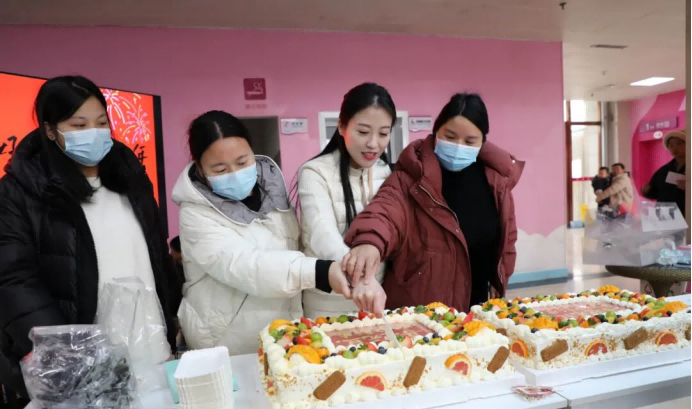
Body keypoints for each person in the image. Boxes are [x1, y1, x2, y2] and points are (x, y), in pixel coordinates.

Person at [0, 76, 180, 397]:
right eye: (79, 125)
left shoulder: (130, 178)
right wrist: (66, 359)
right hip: (80, 366)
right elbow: (16, 279)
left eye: (101, 122)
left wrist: (172, 318)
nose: (93, 133)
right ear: (50, 130)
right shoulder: (22, 190)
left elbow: (155, 254)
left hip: (152, 347)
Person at [172, 111, 385, 355]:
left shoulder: (271, 191)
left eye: (242, 162)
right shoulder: (195, 214)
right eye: (220, 169)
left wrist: (349, 263)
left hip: (281, 333)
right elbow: (247, 266)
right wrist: (321, 272)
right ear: (200, 169)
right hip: (227, 342)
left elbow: (295, 244)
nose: (235, 173)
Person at [342, 93, 524, 312]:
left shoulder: (496, 182)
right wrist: (370, 242)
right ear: (436, 132)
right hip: (422, 310)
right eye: (450, 136)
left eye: (469, 141)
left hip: (478, 306)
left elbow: (507, 238)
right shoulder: (411, 175)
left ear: (482, 143)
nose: (458, 146)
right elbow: (386, 210)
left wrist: (499, 277)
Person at [297, 83, 395, 319]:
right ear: (341, 126)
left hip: (376, 297)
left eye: (383, 133)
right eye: (363, 132)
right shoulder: (315, 172)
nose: (373, 143)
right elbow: (322, 235)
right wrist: (362, 279)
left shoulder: (388, 172)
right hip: (327, 303)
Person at [642, 129, 686, 213]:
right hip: (665, 215)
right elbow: (655, 193)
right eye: (671, 145)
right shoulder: (663, 170)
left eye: (679, 144)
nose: (675, 148)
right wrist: (647, 191)